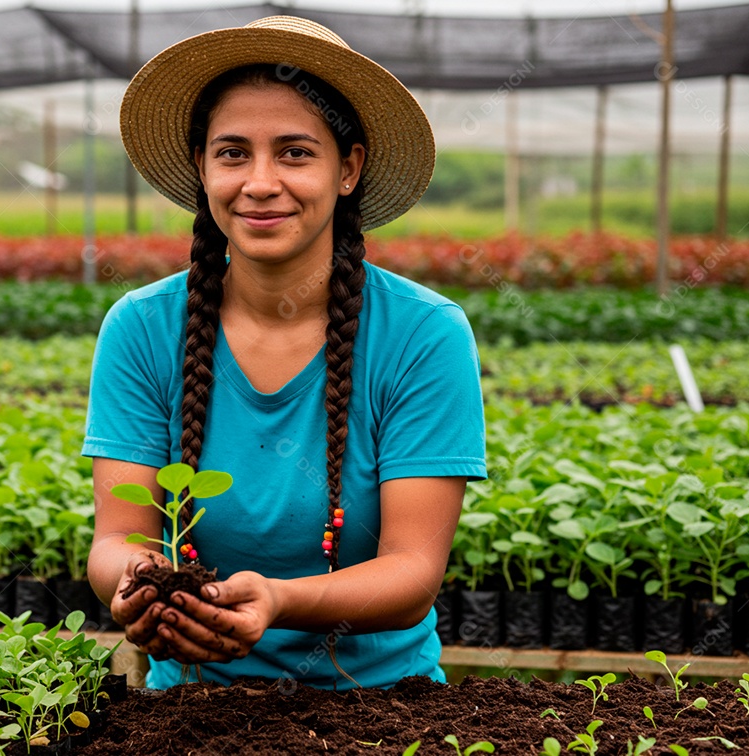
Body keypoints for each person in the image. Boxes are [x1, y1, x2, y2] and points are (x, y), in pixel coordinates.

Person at [82, 15, 487, 691]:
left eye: (295, 152)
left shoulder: (424, 335)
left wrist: (278, 601)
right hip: (190, 708)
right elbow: (117, 537)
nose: (261, 182)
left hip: (383, 706)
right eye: (232, 152)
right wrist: (135, 584)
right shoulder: (142, 328)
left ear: (348, 167)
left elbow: (413, 573)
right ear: (202, 169)